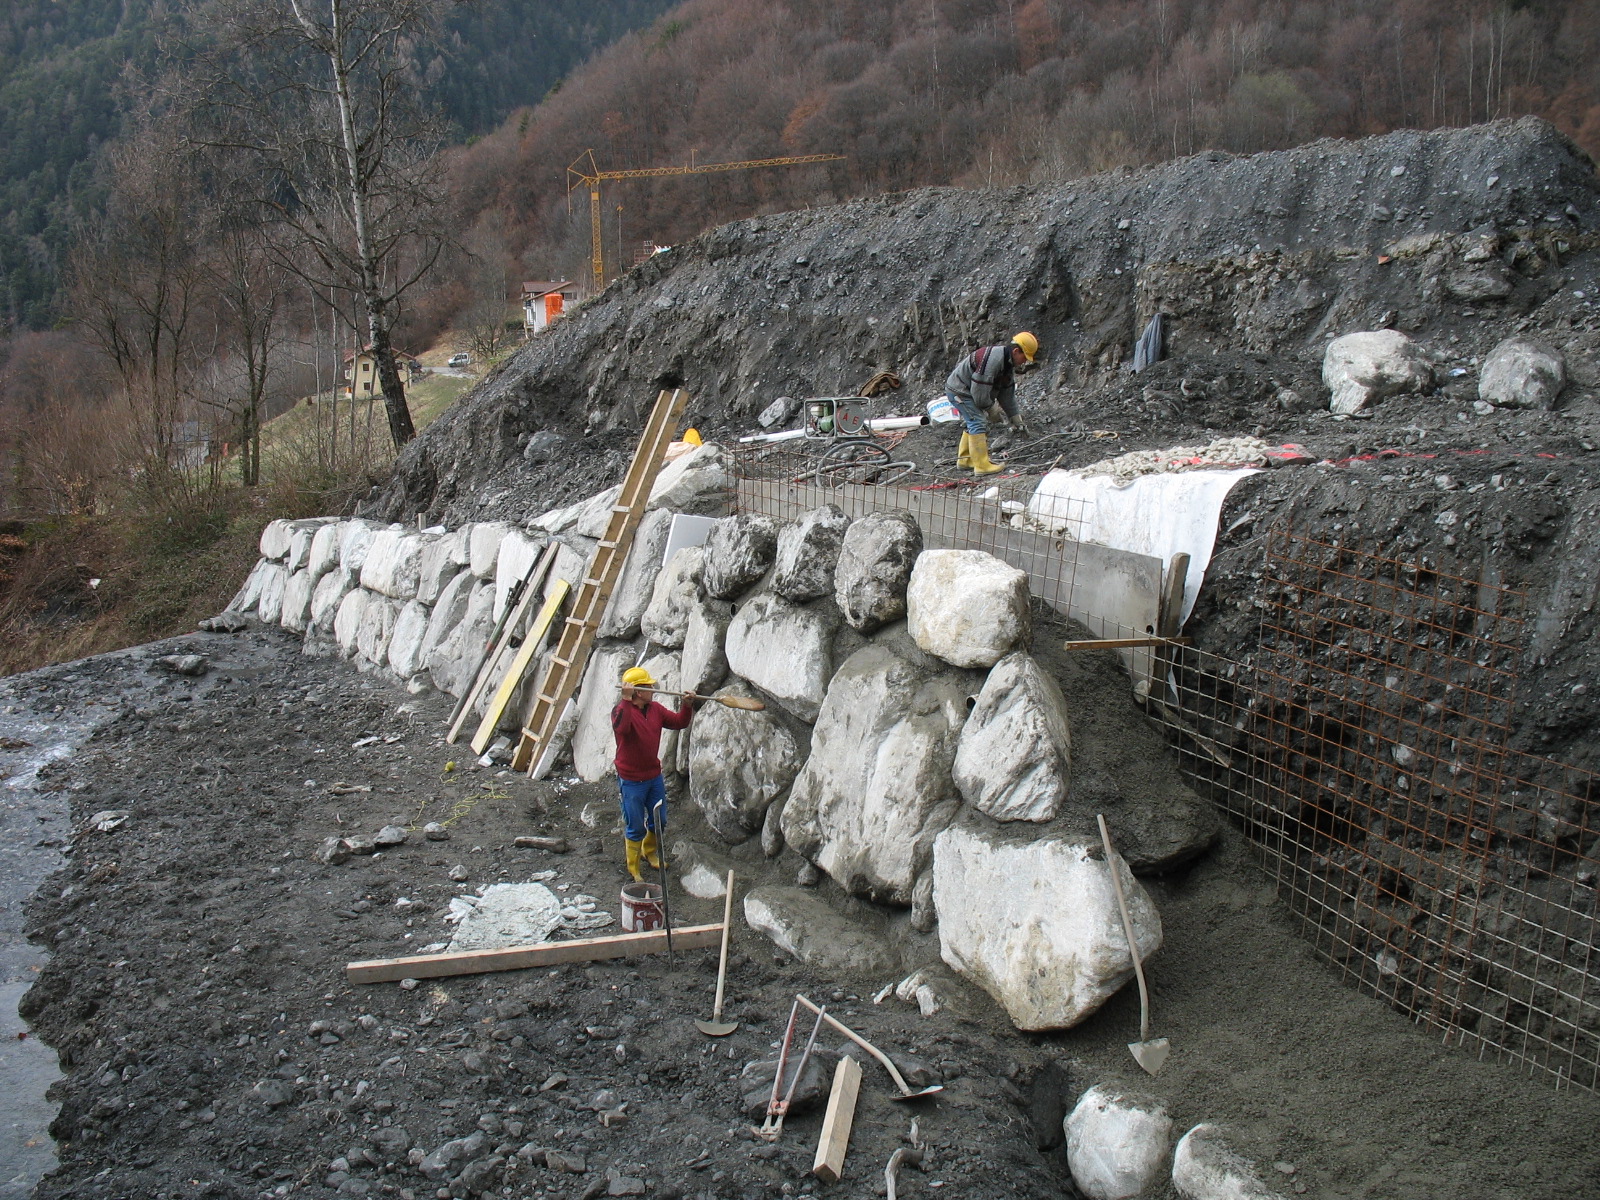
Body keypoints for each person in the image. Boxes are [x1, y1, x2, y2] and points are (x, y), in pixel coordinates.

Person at [611, 665, 697, 881]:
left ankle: (649, 853)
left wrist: (687, 706)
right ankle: (633, 866)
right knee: (635, 824)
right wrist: (625, 700)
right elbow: (621, 729)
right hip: (631, 780)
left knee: (659, 820)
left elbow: (679, 722)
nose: (654, 689)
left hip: (653, 776)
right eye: (649, 686)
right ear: (638, 692)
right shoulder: (621, 711)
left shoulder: (656, 709)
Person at [944, 331, 1039, 475]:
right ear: (1016, 351)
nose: (1025, 361)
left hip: (967, 391)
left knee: (974, 420)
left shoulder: (1006, 364)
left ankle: (965, 460)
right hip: (959, 390)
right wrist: (992, 409)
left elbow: (1006, 395)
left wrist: (1015, 418)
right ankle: (982, 466)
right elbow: (979, 395)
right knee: (977, 421)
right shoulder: (993, 360)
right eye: (1024, 357)